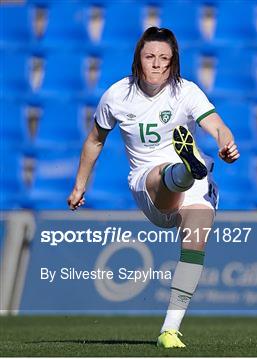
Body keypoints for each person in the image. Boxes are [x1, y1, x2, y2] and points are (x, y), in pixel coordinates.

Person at [67, 27, 239, 349]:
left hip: (198, 183)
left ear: (174, 62)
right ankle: (182, 170)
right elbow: (94, 140)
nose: (157, 64)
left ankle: (169, 331)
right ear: (138, 60)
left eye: (164, 58)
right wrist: (79, 187)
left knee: (196, 239)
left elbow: (215, 123)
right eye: (150, 57)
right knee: (162, 173)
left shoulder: (186, 91)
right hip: (148, 182)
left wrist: (225, 142)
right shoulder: (117, 96)